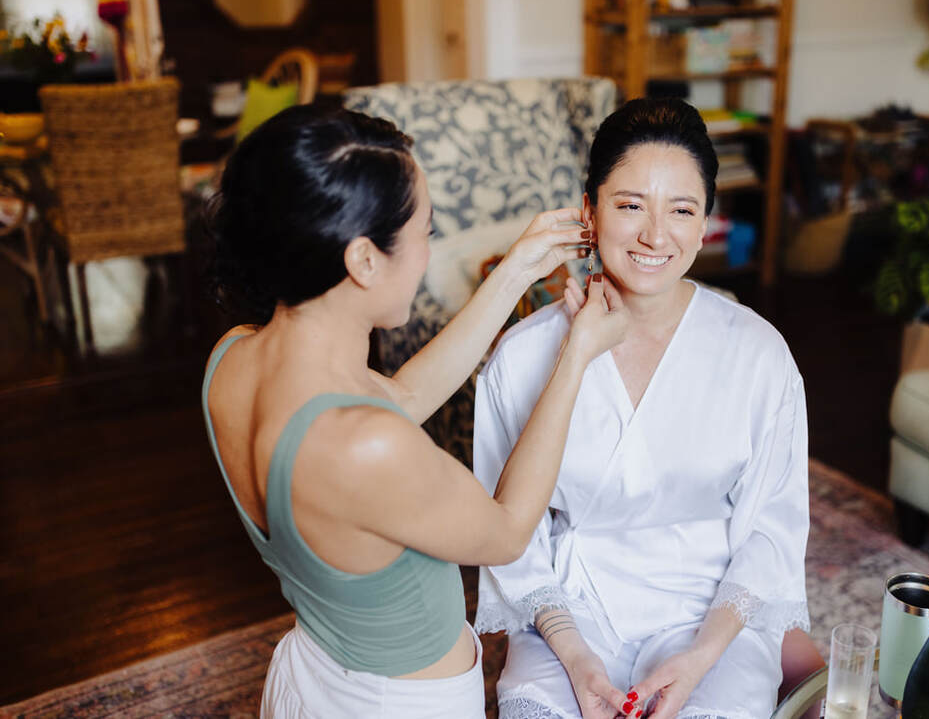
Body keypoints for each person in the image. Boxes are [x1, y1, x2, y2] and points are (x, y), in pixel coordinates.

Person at [201, 105, 628, 718]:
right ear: (364, 260)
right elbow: (506, 531)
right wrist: (577, 354)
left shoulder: (236, 356)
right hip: (395, 703)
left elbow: (397, 398)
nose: (428, 251)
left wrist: (512, 275)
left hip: (313, 674)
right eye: (425, 230)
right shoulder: (362, 446)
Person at [474, 98, 817, 719]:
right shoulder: (522, 359)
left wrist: (701, 655)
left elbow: (773, 527)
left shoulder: (758, 354)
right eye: (630, 205)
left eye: (681, 210)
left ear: (706, 219)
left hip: (707, 622)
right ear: (590, 211)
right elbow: (507, 536)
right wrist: (576, 658)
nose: (656, 236)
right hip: (567, 618)